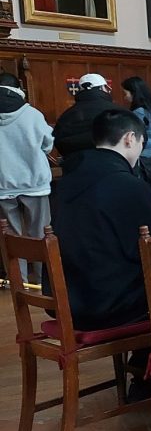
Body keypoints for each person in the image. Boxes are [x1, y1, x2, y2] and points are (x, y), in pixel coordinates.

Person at [52, 109, 151, 330]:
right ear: (130, 138)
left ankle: (143, 361)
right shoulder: (125, 184)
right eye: (142, 142)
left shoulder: (68, 181)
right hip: (109, 305)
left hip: (68, 299)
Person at [0, 73, 53, 284]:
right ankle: (42, 281)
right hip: (34, 183)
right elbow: (47, 144)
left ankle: (19, 282)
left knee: (11, 237)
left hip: (3, 184)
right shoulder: (32, 114)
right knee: (40, 233)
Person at [53, 73, 119, 173]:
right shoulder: (118, 112)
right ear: (102, 88)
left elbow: (58, 141)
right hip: (113, 169)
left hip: (76, 170)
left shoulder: (66, 115)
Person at [122, 77, 151, 192]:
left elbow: (132, 139)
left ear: (134, 93)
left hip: (142, 162)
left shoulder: (138, 112)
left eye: (126, 93)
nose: (125, 97)